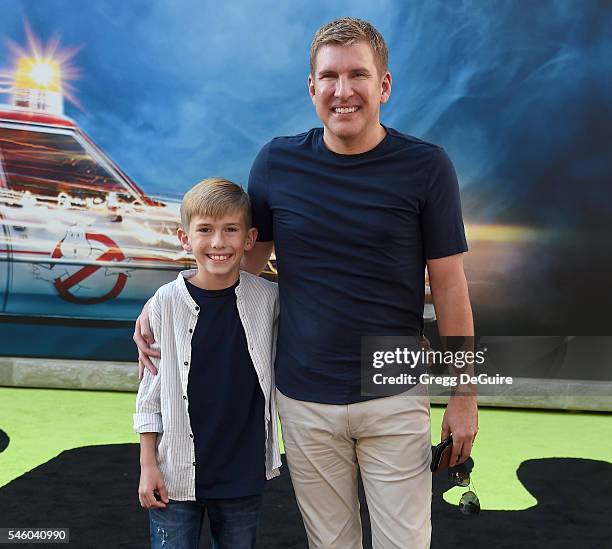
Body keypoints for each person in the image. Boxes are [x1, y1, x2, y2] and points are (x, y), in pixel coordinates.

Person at [135, 18, 477, 549]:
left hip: (394, 394)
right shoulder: (277, 162)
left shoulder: (427, 167)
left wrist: (465, 394)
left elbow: (451, 287)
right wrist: (167, 305)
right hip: (304, 401)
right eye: (330, 77)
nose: (344, 91)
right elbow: (238, 272)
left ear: (383, 85)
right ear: (311, 86)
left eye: (358, 75)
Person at [134, 178, 281, 549]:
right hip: (174, 474)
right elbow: (150, 393)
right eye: (205, 231)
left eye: (230, 230)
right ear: (185, 239)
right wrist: (147, 465)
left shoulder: (269, 300)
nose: (218, 243)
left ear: (249, 239)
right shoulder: (165, 303)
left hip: (242, 475)